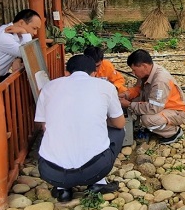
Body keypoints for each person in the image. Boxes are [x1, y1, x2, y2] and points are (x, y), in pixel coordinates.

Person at [35, 55, 125, 202]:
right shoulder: (105, 86)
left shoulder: (49, 87)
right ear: (94, 74)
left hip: (51, 172)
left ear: (66, 73)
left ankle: (63, 190)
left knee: (48, 135)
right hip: (95, 169)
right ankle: (98, 183)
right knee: (118, 131)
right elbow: (120, 123)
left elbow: (43, 125)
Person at [119, 49, 185, 144]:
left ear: (144, 66)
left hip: (176, 111)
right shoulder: (145, 74)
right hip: (161, 106)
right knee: (134, 101)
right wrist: (126, 95)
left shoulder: (160, 81)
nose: (133, 73)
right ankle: (154, 126)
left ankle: (173, 132)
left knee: (147, 119)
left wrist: (129, 105)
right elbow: (138, 89)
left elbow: (153, 108)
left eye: (134, 70)